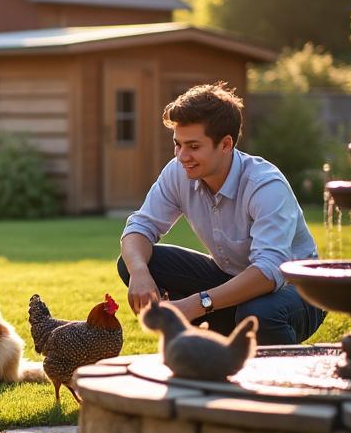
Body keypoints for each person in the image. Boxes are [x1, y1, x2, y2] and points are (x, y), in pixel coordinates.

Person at [118, 82, 326, 345]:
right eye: (177, 144)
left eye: (193, 146)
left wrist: (196, 304)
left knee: (258, 314)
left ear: (226, 144)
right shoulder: (178, 172)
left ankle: (279, 377)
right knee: (137, 262)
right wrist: (138, 272)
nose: (182, 156)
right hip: (232, 278)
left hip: (296, 289)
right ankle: (200, 348)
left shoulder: (265, 185)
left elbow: (269, 271)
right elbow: (139, 227)